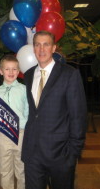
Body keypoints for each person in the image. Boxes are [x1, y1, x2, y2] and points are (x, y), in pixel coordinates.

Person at [22, 31, 87, 189]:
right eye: (37, 44)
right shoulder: (29, 75)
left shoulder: (69, 74)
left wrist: (72, 154)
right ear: (33, 48)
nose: (41, 49)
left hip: (60, 154)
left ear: (54, 48)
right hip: (32, 153)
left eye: (46, 44)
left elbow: (78, 116)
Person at [0, 55, 29, 189]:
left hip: (21, 133)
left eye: (14, 69)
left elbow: (28, 111)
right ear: (1, 71)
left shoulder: (24, 90)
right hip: (3, 134)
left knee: (22, 169)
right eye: (7, 69)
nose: (11, 72)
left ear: (18, 71)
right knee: (5, 169)